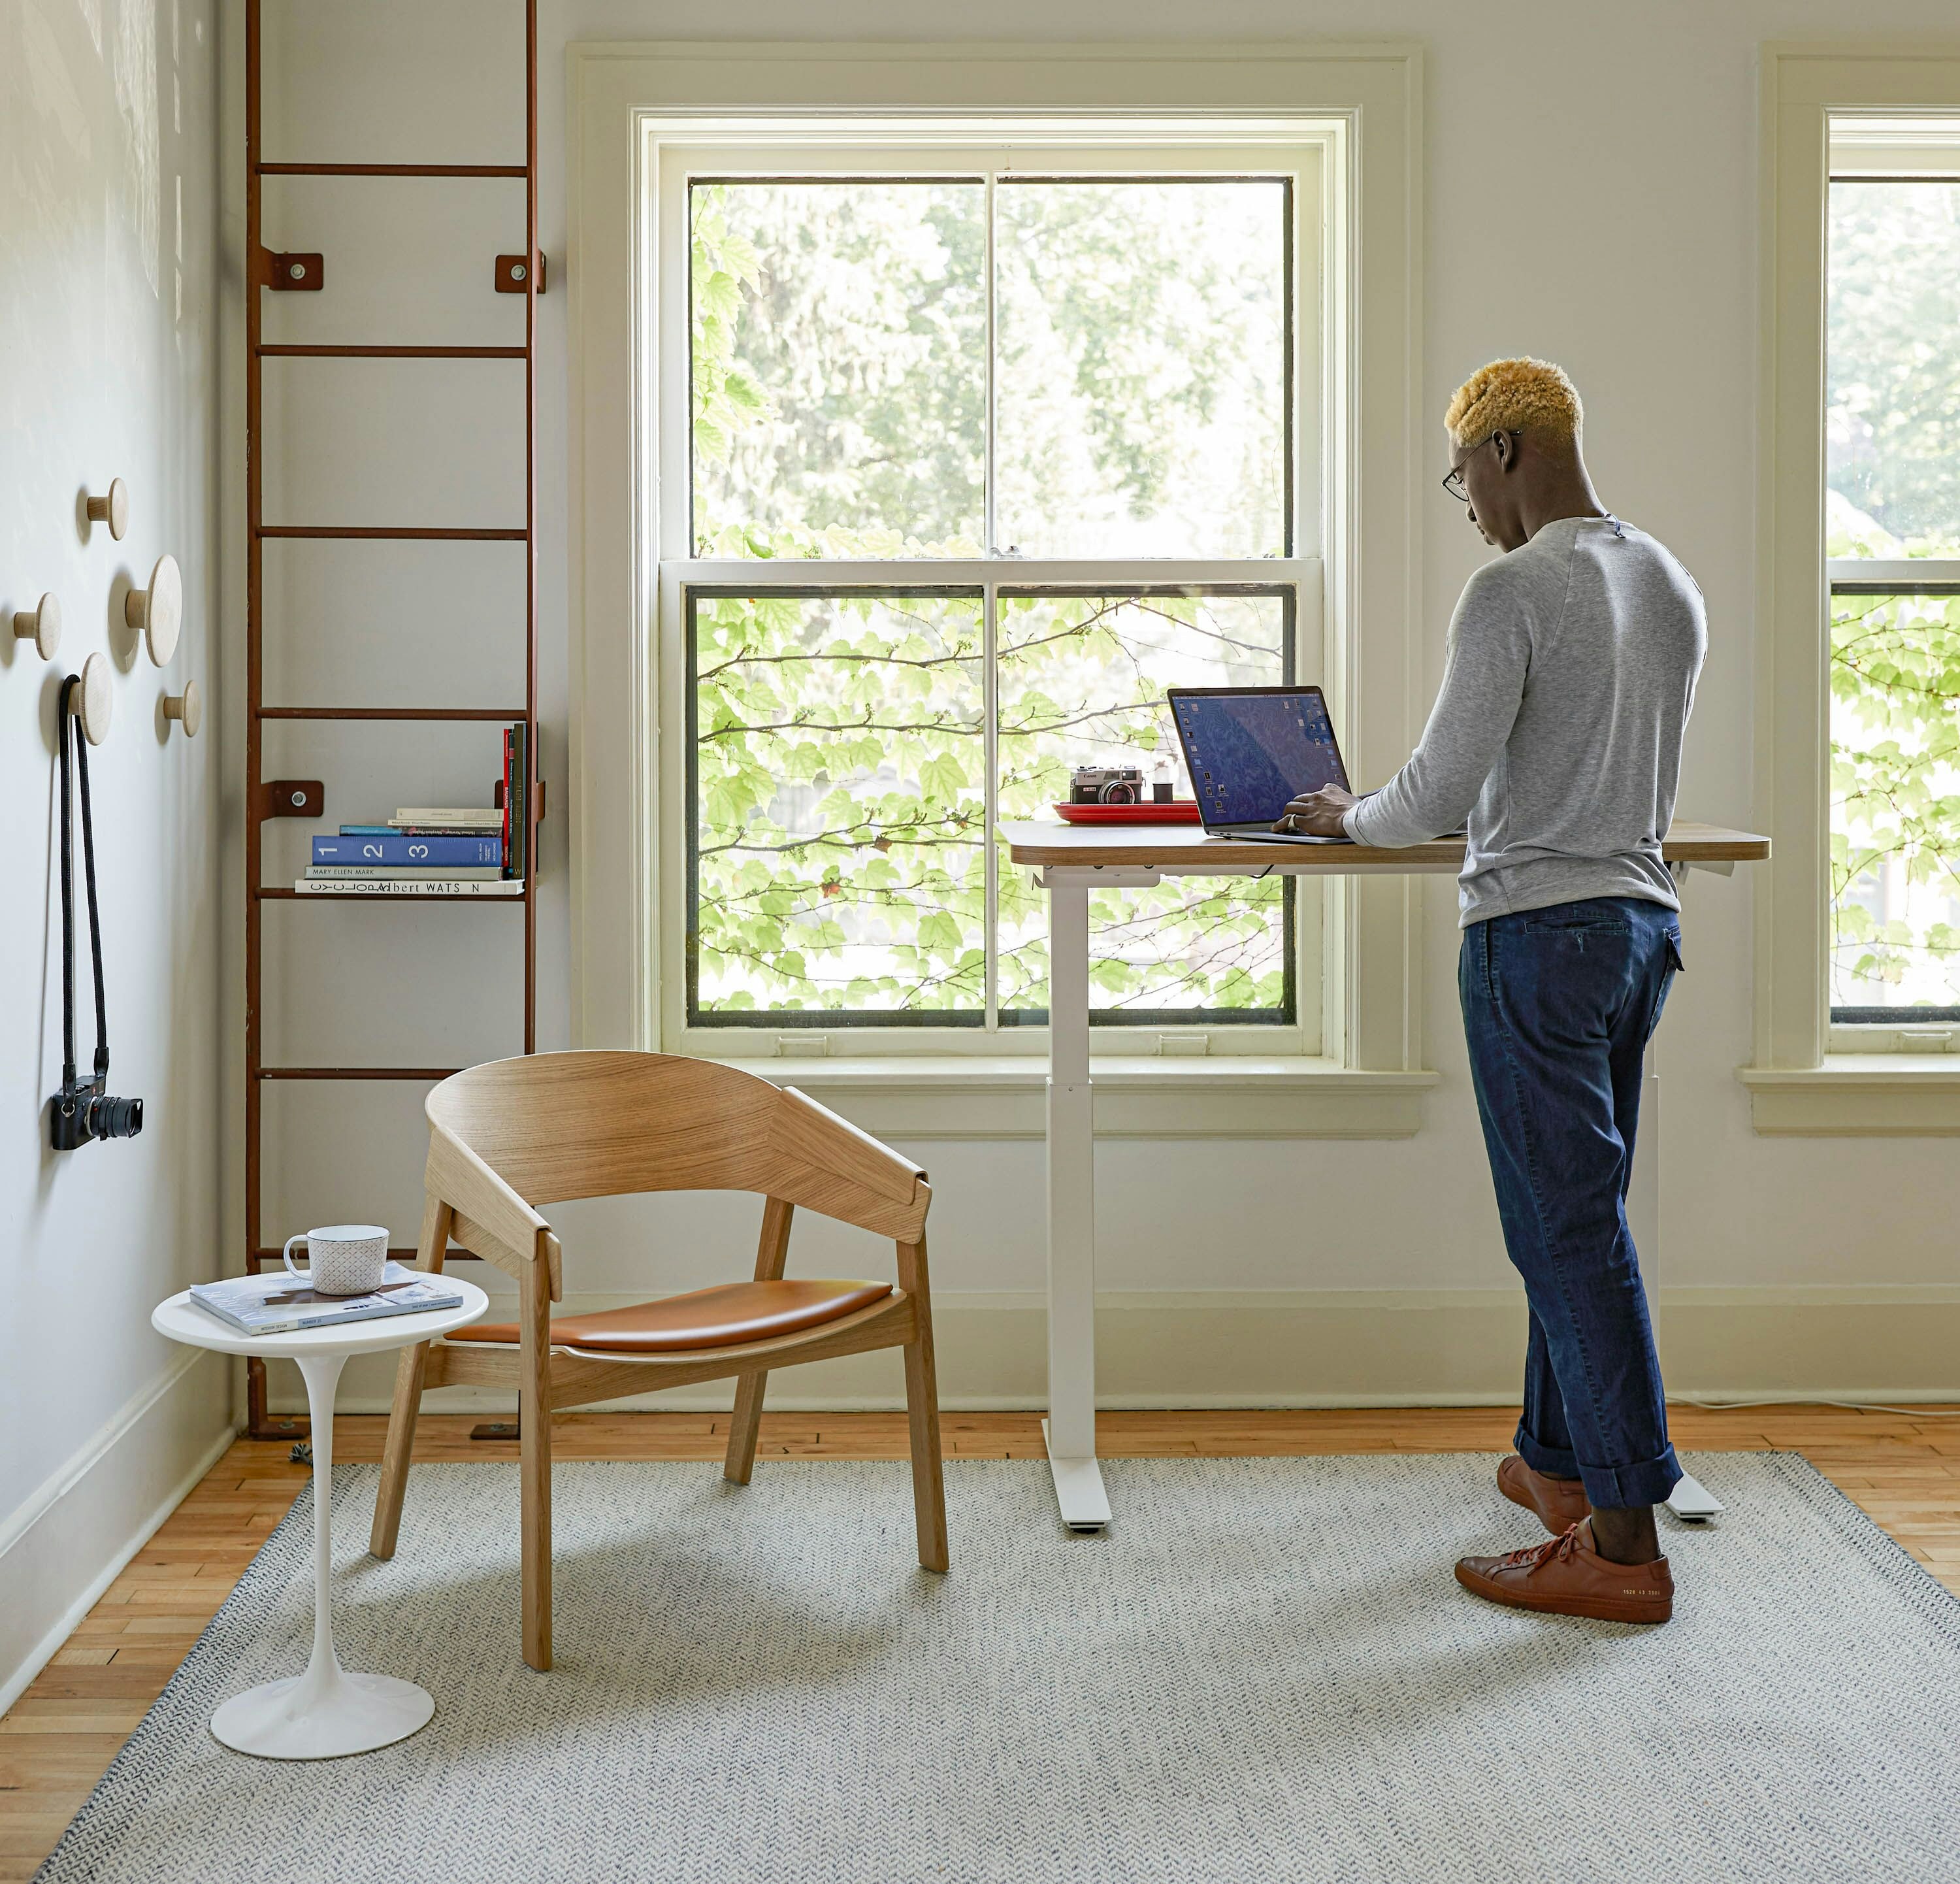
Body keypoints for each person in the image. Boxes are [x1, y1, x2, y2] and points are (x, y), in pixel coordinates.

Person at [1277, 358, 1705, 1625]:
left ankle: (1623, 1540)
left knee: (1563, 1228)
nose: (1463, 501)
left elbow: (1441, 792)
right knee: (1583, 1210)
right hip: (1639, 927)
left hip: (1535, 933)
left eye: (1463, 472)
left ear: (1509, 449)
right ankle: (1559, 1462)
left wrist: (1346, 814)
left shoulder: (1514, 586)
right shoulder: (1666, 577)